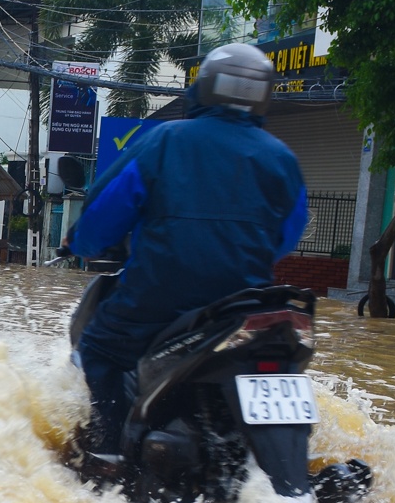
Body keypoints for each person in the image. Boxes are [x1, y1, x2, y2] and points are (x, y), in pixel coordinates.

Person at [70, 42, 308, 461]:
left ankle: (109, 454)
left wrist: (79, 244)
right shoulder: (282, 158)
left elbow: (101, 217)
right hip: (245, 306)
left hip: (160, 297)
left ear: (205, 88)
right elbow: (287, 235)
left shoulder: (164, 141)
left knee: (99, 349)